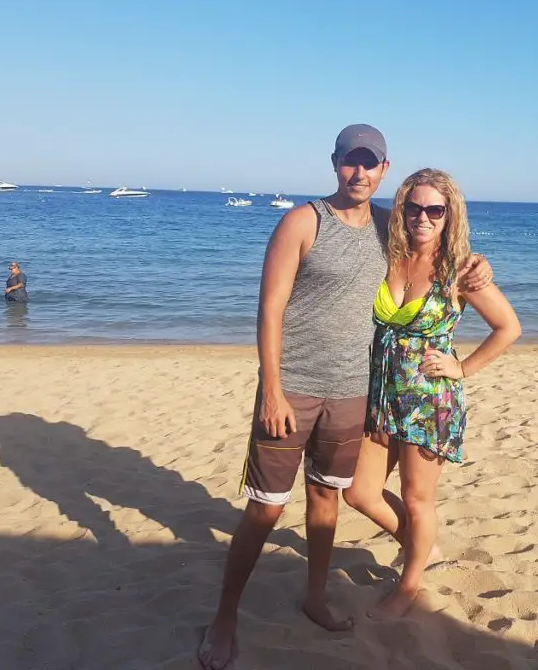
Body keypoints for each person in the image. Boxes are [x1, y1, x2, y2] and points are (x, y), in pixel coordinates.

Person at [198, 127, 492, 669]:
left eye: (370, 164)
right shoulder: (302, 222)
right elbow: (270, 310)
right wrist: (272, 389)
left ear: (384, 171)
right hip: (295, 388)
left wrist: (479, 267)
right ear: (334, 164)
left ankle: (315, 599)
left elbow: (445, 254)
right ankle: (225, 617)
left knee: (327, 500)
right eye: (349, 163)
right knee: (265, 510)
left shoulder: (391, 228)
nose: (359, 173)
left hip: (357, 394)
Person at [344, 169, 521, 619]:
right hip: (382, 395)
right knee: (359, 492)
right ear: (401, 209)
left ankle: (409, 585)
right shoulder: (389, 252)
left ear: (449, 215)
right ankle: (422, 547)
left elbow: (508, 327)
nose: (423, 217)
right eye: (414, 207)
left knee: (417, 497)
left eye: (435, 210)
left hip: (429, 401)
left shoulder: (458, 270)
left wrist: (461, 368)